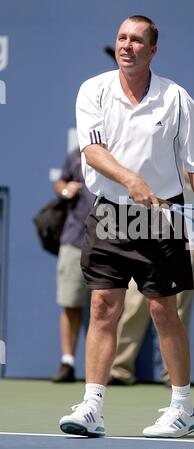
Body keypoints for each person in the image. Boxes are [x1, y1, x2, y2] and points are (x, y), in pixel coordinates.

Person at [59, 15, 194, 438]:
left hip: (164, 218)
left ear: (152, 50)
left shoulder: (177, 98)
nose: (126, 46)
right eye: (121, 38)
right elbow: (93, 152)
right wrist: (132, 181)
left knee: (162, 311)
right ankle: (92, 406)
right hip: (111, 212)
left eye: (136, 40)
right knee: (103, 305)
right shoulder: (92, 90)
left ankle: (182, 408)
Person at [109, 176, 194, 387]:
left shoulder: (190, 152)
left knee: (177, 310)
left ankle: (173, 375)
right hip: (143, 235)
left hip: (185, 240)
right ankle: (121, 369)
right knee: (133, 305)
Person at [52, 148, 94, 382]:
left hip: (114, 240)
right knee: (70, 303)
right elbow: (61, 181)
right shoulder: (76, 155)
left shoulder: (123, 148)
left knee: (111, 307)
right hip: (75, 240)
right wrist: (66, 189)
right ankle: (67, 361)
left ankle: (105, 367)